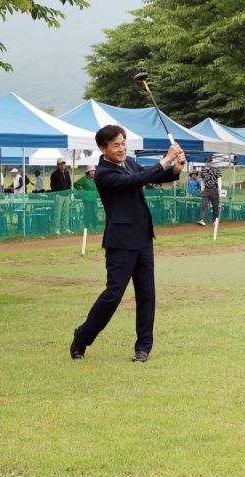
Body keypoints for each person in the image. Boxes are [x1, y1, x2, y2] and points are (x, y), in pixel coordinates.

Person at [70, 124, 185, 363]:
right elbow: (137, 180)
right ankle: (83, 336)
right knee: (113, 295)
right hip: (121, 241)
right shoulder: (103, 174)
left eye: (123, 143)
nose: (122, 149)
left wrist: (175, 168)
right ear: (103, 148)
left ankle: (143, 347)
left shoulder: (130, 162)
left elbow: (149, 174)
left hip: (143, 238)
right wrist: (165, 159)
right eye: (116, 145)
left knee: (146, 295)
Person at [50, 158, 72, 235]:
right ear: (58, 165)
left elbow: (69, 183)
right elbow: (52, 185)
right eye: (61, 164)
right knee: (58, 213)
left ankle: (65, 228)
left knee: (66, 213)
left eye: (64, 163)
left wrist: (70, 193)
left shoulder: (67, 173)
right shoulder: (54, 174)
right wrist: (55, 194)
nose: (63, 165)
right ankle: (57, 229)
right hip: (59, 196)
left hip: (66, 196)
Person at [73, 164, 98, 230]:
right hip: (86, 199)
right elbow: (75, 184)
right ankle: (87, 227)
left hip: (93, 198)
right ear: (88, 172)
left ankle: (94, 226)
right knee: (88, 212)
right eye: (91, 171)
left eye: (94, 171)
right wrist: (81, 189)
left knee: (94, 212)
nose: (93, 172)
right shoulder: (84, 179)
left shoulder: (95, 179)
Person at [198, 157, 221, 226]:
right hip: (206, 189)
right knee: (204, 204)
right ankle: (202, 220)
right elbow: (202, 180)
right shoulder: (202, 171)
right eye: (208, 162)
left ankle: (215, 220)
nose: (209, 163)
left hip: (215, 189)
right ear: (205, 162)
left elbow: (219, 178)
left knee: (215, 206)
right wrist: (202, 189)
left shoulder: (216, 169)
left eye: (210, 162)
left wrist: (219, 188)